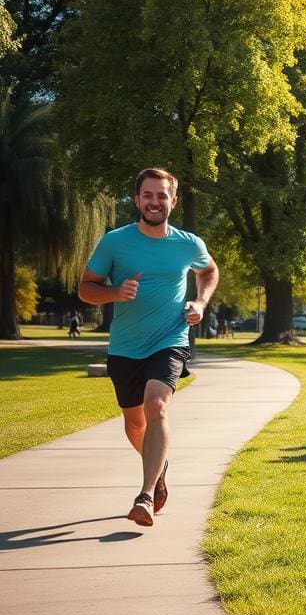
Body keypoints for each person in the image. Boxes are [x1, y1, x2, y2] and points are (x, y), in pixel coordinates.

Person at [78, 168, 218, 527]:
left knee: (157, 405)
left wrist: (200, 303)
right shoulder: (115, 242)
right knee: (134, 425)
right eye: (148, 195)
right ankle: (159, 468)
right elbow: (85, 288)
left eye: (162, 196)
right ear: (137, 200)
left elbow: (209, 271)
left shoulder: (189, 243)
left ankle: (144, 495)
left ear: (173, 200)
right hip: (125, 346)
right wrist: (114, 292)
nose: (155, 202)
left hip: (169, 339)